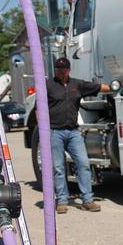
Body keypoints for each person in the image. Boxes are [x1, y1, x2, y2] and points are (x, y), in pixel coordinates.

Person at [47, 57, 111, 214]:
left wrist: (114, 86)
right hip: (55, 132)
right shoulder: (48, 86)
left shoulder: (77, 85)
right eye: (58, 68)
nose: (61, 71)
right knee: (59, 168)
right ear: (55, 70)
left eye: (64, 68)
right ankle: (62, 201)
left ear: (69, 70)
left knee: (83, 164)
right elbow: (38, 109)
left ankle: (87, 200)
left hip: (74, 132)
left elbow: (97, 87)